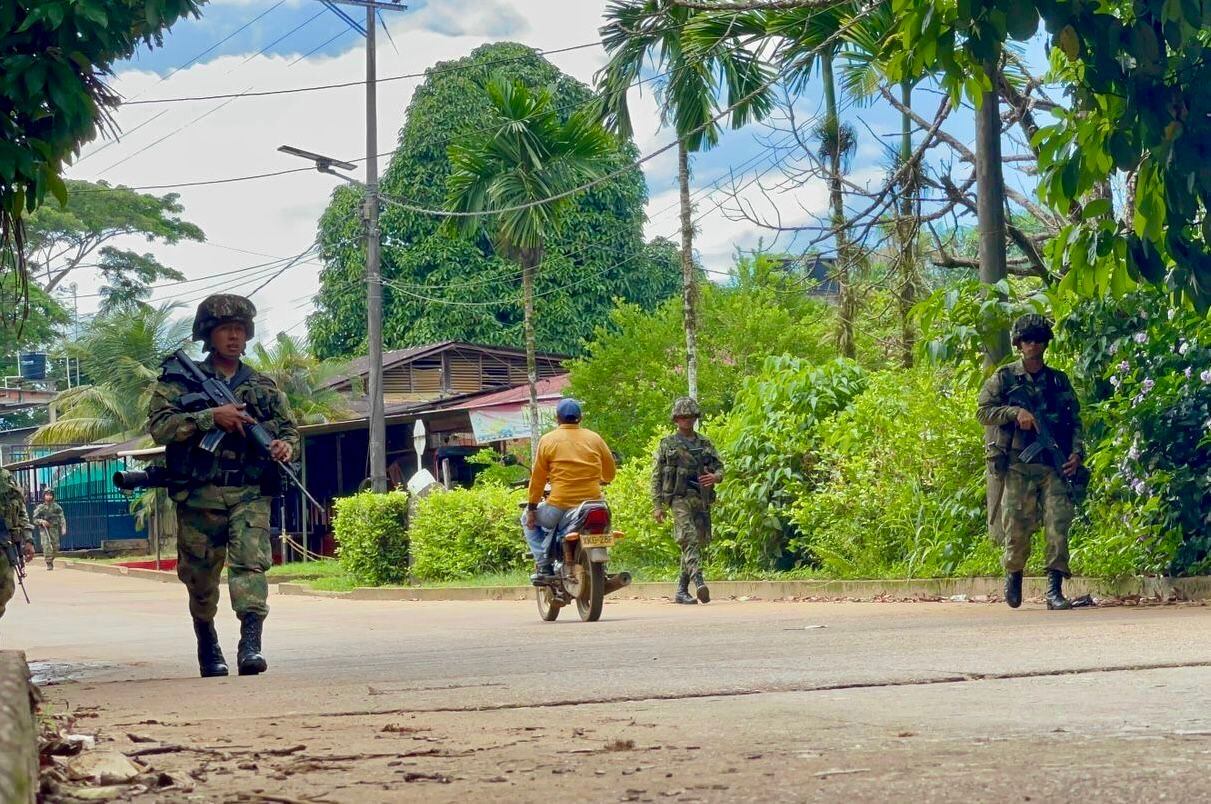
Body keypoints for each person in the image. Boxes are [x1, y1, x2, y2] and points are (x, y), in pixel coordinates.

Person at [147, 294, 300, 677]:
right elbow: (160, 428)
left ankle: (251, 645)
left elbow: (289, 432)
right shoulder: (179, 381)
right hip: (199, 493)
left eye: (240, 330)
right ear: (208, 334)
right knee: (200, 578)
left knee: (251, 565)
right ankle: (207, 642)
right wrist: (210, 417)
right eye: (225, 330)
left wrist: (284, 446)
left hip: (249, 491)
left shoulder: (262, 386)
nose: (234, 337)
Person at [977, 313, 1084, 611]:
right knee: (1017, 527)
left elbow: (1075, 420)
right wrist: (1014, 413)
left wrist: (1076, 453)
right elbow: (983, 412)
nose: (1032, 345)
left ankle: (1054, 589)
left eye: (1038, 339)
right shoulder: (1005, 378)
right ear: (1018, 343)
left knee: (1058, 525)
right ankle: (1014, 574)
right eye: (1026, 340)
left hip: (1054, 465)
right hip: (1017, 464)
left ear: (1045, 343)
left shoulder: (1058, 380)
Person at [523, 398, 616, 583]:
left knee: (526, 519)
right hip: (593, 504)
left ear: (557, 418)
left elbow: (538, 479)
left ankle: (544, 565)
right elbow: (610, 474)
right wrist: (601, 479)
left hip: (559, 506)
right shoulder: (594, 438)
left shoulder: (548, 440)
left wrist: (532, 508)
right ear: (580, 418)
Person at [651, 397, 723, 605]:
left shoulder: (705, 443)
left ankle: (681, 591)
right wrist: (657, 505)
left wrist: (715, 477)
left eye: (690, 416)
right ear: (676, 419)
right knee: (688, 538)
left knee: (697, 541)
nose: (687, 420)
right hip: (678, 497)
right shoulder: (667, 444)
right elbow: (656, 476)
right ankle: (699, 581)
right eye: (682, 417)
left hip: (701, 497)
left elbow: (720, 467)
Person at [1, 466, 34, 622]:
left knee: (6, 588)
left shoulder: (7, 478)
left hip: (5, 542)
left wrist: (28, 539)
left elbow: (21, 510)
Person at [32, 488, 66, 570]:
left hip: (54, 528)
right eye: (47, 495)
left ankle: (51, 559)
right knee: (46, 545)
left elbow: (62, 517)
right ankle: (48, 562)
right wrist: (41, 521)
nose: (49, 497)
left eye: (50, 495)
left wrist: (63, 527)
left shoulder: (57, 507)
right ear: (44, 496)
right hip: (44, 529)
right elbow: (34, 519)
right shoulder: (40, 507)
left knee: (56, 546)